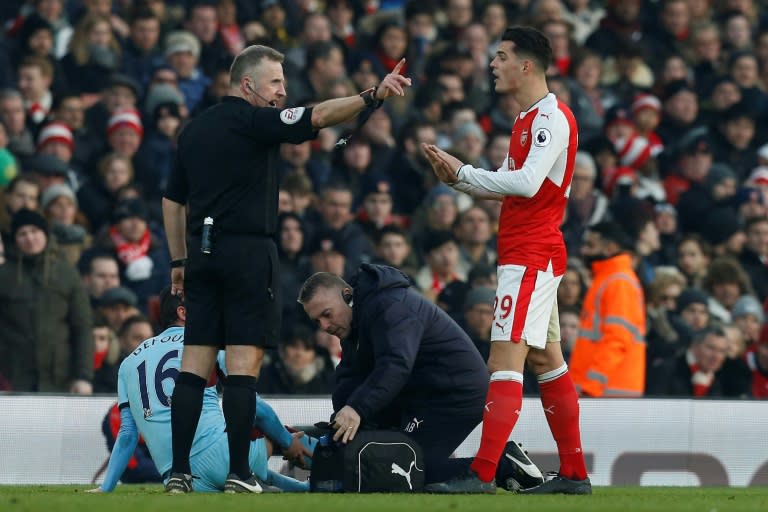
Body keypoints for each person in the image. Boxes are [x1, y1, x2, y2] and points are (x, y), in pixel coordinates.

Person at [162, 44, 411, 493]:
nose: (282, 91)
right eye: (275, 82)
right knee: (241, 368)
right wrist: (371, 94)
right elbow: (317, 117)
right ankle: (240, 473)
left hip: (201, 254)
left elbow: (171, 200)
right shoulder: (257, 122)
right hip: (248, 254)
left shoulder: (194, 130)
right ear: (247, 85)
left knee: (193, 366)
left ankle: (178, 472)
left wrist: (178, 259)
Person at [422, 26, 590, 494]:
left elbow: (527, 183)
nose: (492, 65)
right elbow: (506, 185)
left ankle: (480, 474)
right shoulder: (527, 120)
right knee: (546, 360)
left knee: (505, 358)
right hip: (528, 252)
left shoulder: (550, 119)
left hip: (531, 254)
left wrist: (465, 172)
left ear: (526, 65)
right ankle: (574, 475)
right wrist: (456, 180)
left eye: (500, 57)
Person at [298, 264, 544, 494]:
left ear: (347, 294)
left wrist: (357, 408)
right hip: (424, 394)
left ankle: (503, 464)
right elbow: (349, 378)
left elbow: (396, 364)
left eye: (327, 314)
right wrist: (336, 429)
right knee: (394, 462)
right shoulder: (358, 318)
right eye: (317, 321)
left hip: (455, 394)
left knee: (404, 467)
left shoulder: (390, 305)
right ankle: (497, 464)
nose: (324, 325)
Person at [88, 287, 314, 493]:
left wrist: (105, 489)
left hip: (178, 477)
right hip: (221, 453)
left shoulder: (128, 364)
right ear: (183, 313)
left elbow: (127, 435)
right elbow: (253, 407)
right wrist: (286, 441)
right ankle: (334, 467)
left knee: (244, 468)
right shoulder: (205, 346)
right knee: (271, 429)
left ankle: (306, 489)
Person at [569, 222, 647, 397]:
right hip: (602, 390)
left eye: (591, 245)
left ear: (610, 247)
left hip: (608, 393)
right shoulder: (608, 279)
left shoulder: (618, 282)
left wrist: (591, 385)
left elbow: (617, 340)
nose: (584, 251)